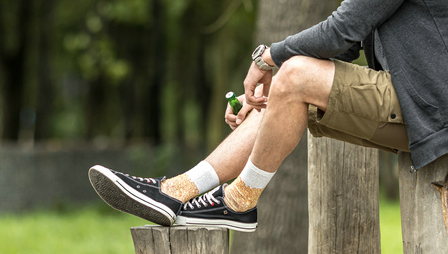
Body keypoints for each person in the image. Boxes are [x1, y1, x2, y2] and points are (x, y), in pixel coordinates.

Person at [89, 0, 448, 232]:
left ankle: (238, 202)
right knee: (291, 85)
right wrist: (271, 97)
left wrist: (267, 58)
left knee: (295, 76)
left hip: (434, 102)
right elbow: (351, 42)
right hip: (423, 101)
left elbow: (341, 32)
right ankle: (178, 190)